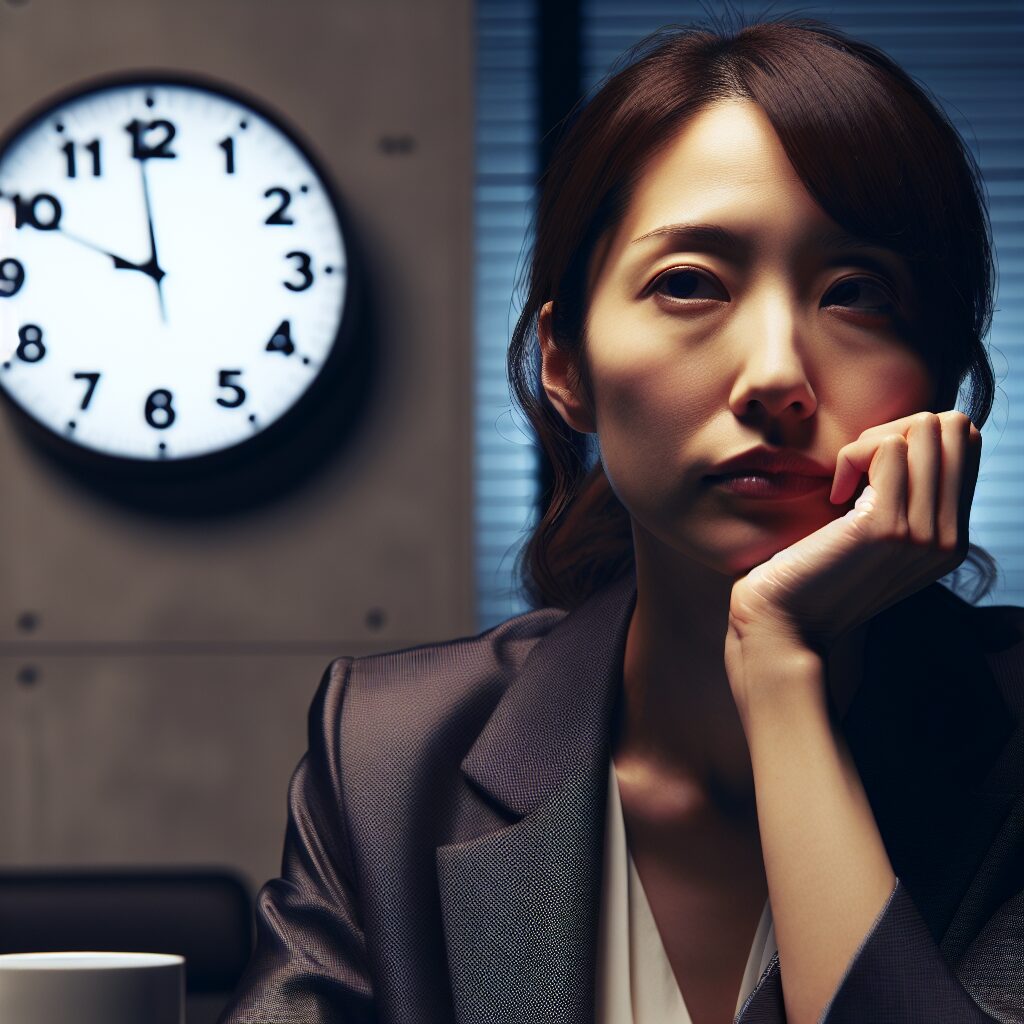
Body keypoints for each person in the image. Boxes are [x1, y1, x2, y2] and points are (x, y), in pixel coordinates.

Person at [217, 15, 1023, 1024]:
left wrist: (780, 676)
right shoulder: (393, 755)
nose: (775, 374)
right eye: (688, 283)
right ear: (566, 365)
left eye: (853, 292)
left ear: (938, 381)